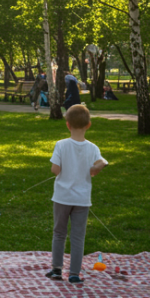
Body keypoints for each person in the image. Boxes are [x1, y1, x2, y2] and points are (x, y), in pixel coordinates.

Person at [46, 104, 109, 285]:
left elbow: (55, 170)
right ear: (88, 125)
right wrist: (99, 165)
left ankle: (57, 270)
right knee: (78, 236)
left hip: (62, 198)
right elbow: (94, 171)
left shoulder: (61, 145)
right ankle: (74, 273)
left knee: (59, 233)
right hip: (81, 200)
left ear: (68, 125)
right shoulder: (92, 148)